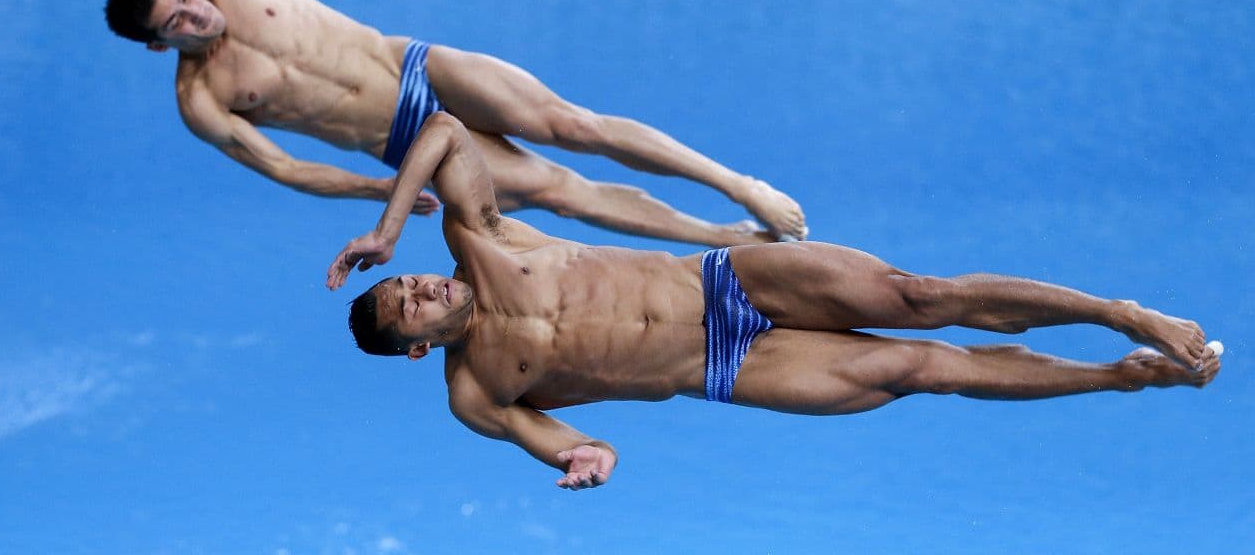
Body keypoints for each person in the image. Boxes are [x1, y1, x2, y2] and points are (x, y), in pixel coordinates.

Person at [325, 111, 1222, 490]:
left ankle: (1121, 311)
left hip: (724, 280)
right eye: (412, 304)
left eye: (408, 279)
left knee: (922, 296)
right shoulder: (476, 393)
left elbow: (443, 128)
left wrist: (387, 227)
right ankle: (1118, 375)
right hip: (728, 365)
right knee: (922, 369)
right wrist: (591, 459)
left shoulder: (478, 242)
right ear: (418, 346)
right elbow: (567, 440)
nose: (423, 287)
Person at [23, 0, 806, 247]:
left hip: (416, 69)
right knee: (561, 192)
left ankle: (742, 187)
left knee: (573, 127)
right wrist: (380, 194)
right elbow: (287, 169)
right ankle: (727, 240)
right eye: (178, 23)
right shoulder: (203, 101)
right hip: (400, 142)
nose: (196, 14)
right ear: (159, 45)